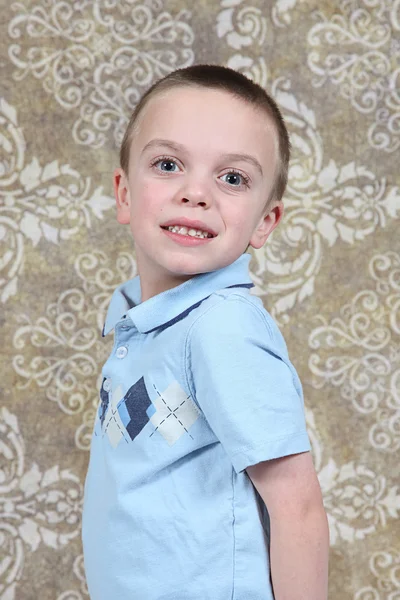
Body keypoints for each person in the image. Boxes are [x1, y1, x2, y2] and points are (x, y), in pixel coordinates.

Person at [82, 64, 329, 600]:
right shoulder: (141, 322)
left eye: (232, 177)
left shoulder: (221, 325)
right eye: (168, 164)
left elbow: (297, 506)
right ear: (124, 193)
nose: (196, 193)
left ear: (266, 220)